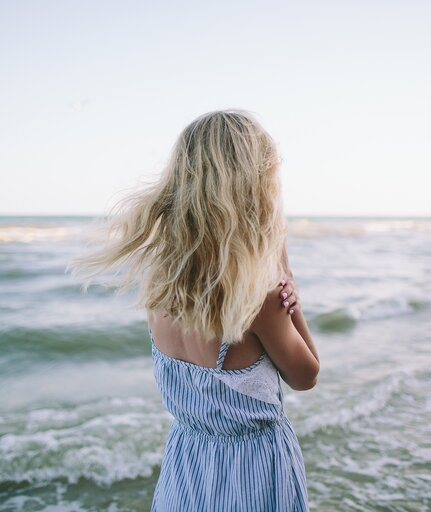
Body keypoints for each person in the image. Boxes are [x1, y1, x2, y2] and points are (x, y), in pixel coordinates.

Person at [68, 109, 319, 511]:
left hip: (187, 470)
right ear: (253, 188)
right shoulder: (257, 298)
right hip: (254, 476)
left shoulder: (160, 282)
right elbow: (307, 375)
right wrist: (290, 285)